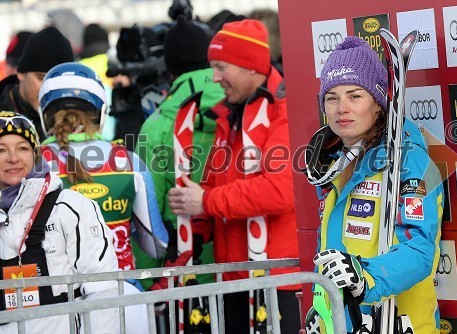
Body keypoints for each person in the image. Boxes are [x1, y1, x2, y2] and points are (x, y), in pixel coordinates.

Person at [168, 19, 301, 334]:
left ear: (251, 67)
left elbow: (279, 191)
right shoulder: (229, 116)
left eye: (221, 67)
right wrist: (195, 223)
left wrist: (206, 201)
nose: (215, 78)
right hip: (234, 279)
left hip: (276, 282)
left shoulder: (283, 113)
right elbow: (216, 186)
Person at [304, 36, 443, 333]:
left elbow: (419, 251)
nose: (342, 108)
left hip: (401, 323)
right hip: (346, 324)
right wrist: (322, 309)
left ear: (378, 104)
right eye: (332, 97)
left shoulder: (416, 163)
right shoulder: (330, 166)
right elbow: (330, 252)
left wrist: (365, 277)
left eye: (355, 96)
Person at [37, 62, 169, 333]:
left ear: (44, 113)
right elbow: (157, 245)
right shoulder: (128, 161)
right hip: (123, 298)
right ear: (101, 110)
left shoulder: (32, 166)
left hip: (55, 306)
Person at [0, 111, 119, 333]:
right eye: (1, 150)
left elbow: (103, 291)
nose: (13, 158)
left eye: (22, 148)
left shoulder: (69, 207)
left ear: (35, 154)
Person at [135, 14, 224, 288]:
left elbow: (148, 211)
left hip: (186, 271)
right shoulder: (239, 105)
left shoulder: (157, 124)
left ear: (170, 70)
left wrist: (148, 281)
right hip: (245, 263)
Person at [0, 26, 74, 141]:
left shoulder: (77, 116)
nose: (49, 89)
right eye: (42, 78)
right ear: (21, 72)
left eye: (59, 81)